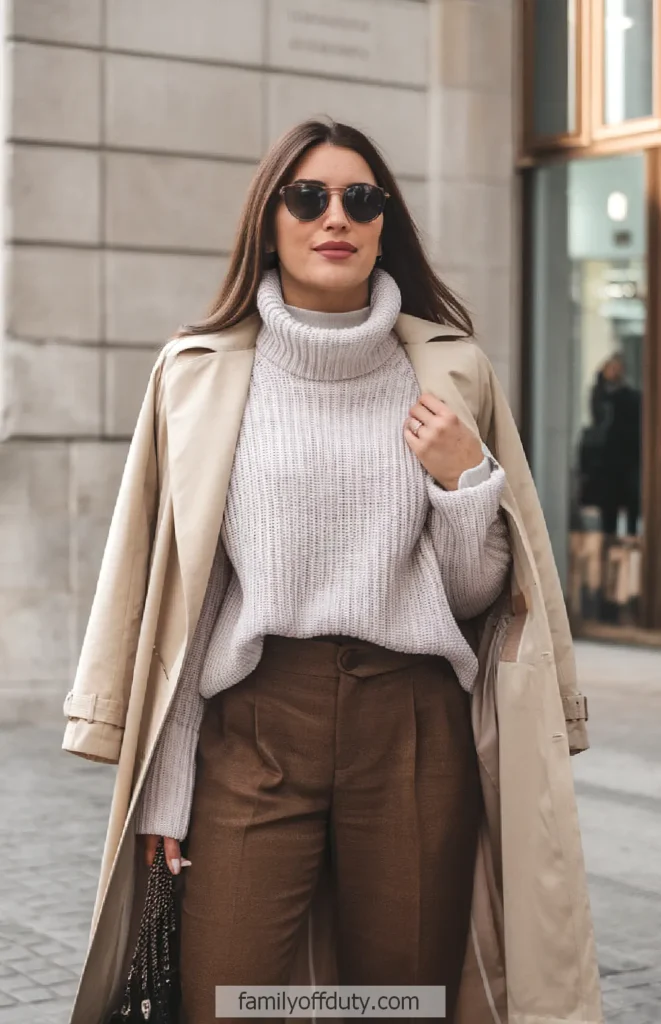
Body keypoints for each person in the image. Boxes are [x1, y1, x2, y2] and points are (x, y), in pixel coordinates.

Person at [62, 120, 602, 1024]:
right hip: (257, 723)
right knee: (230, 993)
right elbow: (190, 601)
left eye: (361, 198)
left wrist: (466, 481)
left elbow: (474, 599)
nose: (335, 217)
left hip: (413, 723)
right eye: (307, 197)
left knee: (398, 1002)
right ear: (269, 219)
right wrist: (164, 786)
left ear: (385, 222)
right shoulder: (201, 375)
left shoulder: (447, 370)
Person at [588, 353, 641, 536]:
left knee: (632, 509)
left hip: (628, 460)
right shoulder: (600, 396)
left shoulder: (631, 397)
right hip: (607, 463)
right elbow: (598, 421)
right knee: (608, 512)